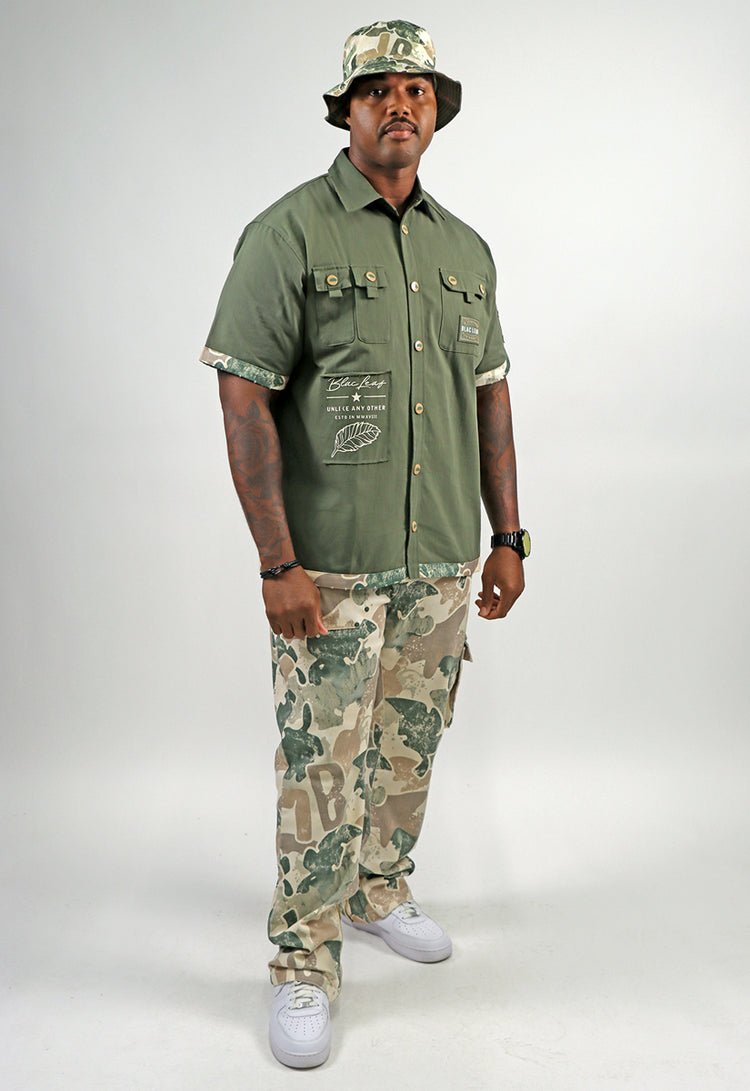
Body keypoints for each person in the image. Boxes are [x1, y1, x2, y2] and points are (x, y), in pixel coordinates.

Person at [200, 19, 530, 1070]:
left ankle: (379, 889)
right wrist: (277, 561)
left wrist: (508, 536)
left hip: (440, 561)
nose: (399, 104)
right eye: (378, 88)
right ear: (346, 109)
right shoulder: (288, 234)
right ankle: (303, 960)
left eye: (417, 90)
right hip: (329, 571)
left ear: (437, 113)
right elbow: (243, 394)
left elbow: (490, 397)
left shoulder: (465, 251)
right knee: (322, 765)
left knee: (408, 746)